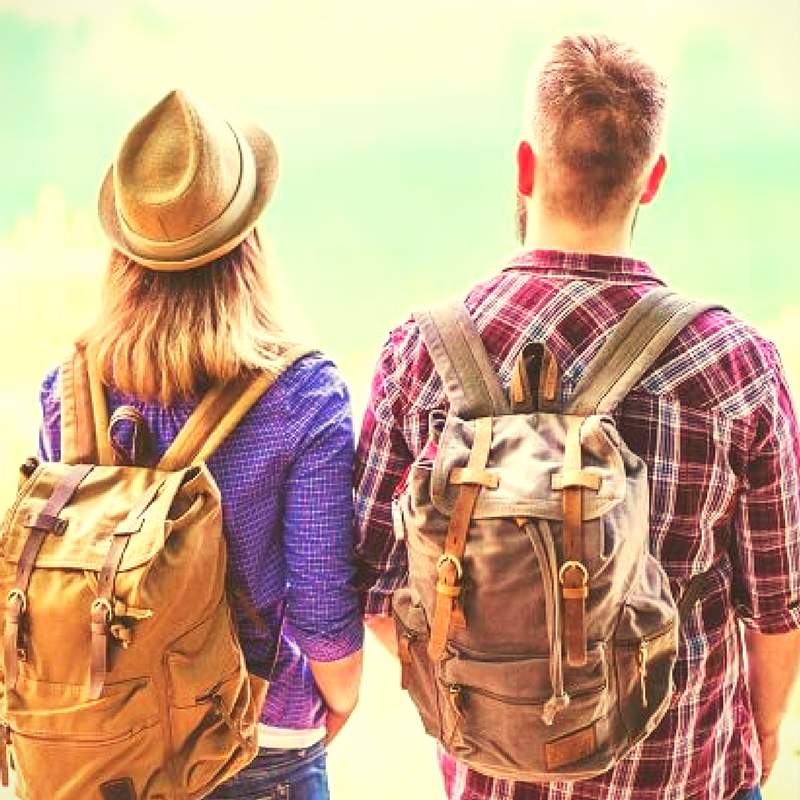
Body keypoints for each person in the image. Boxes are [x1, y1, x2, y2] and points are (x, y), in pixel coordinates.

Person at [354, 32, 800, 800]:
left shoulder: (420, 353)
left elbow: (370, 582)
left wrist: (494, 690)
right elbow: (775, 605)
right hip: (684, 776)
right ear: (652, 179)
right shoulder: (735, 363)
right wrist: (763, 728)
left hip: (493, 782)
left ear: (525, 167)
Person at [37, 89, 363, 799]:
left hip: (94, 746)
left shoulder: (68, 386)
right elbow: (320, 607)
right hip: (256, 739)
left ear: (124, 248)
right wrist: (339, 698)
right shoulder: (303, 394)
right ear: (249, 241)